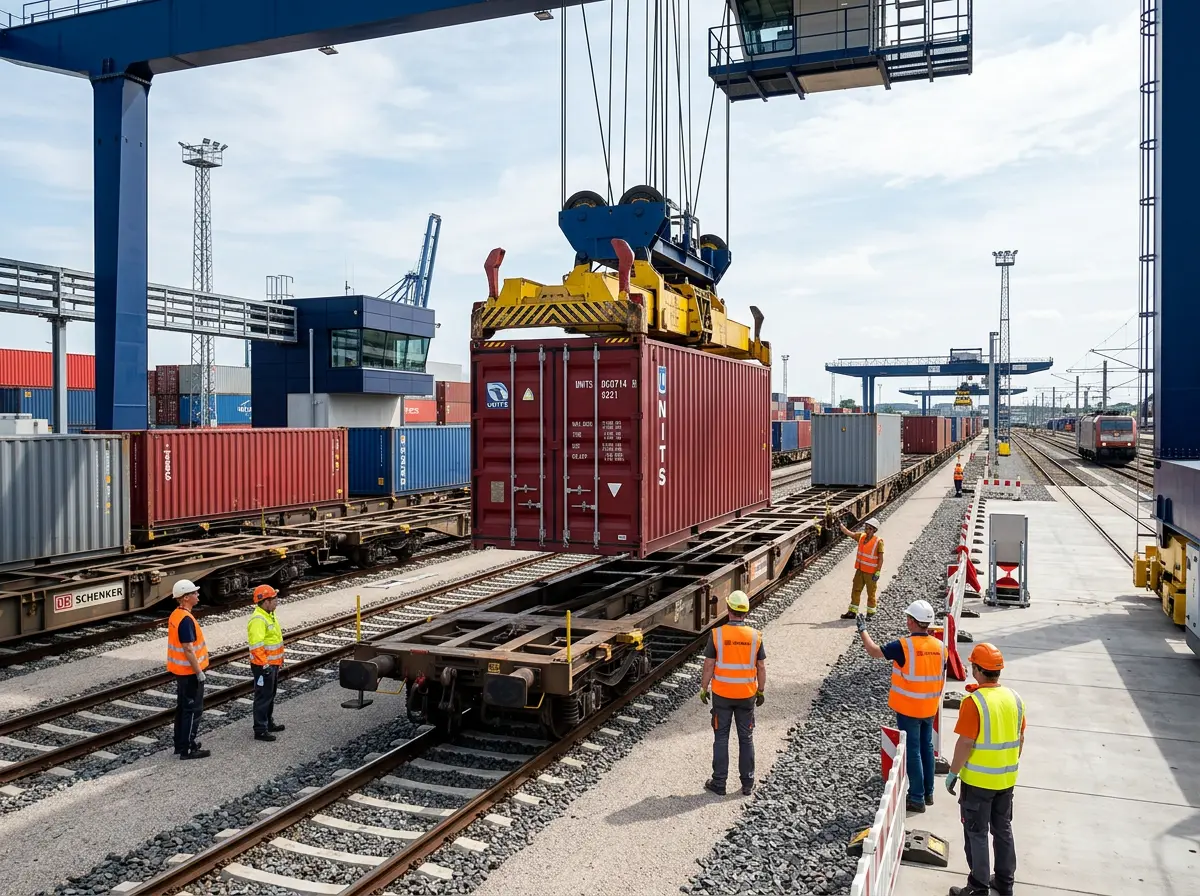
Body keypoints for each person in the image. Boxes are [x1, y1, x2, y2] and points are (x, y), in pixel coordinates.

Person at [944, 643, 1025, 896]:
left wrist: (953, 773)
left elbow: (965, 743)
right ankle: (1004, 881)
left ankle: (978, 887)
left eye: (972, 665)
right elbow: (1020, 738)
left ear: (978, 670)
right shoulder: (1015, 698)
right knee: (1002, 830)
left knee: (976, 833)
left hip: (978, 783)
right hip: (1006, 781)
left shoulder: (974, 702)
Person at [857, 599, 946, 813]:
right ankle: (928, 792)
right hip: (929, 707)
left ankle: (916, 798)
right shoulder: (940, 647)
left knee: (913, 750)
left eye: (908, 618)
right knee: (927, 747)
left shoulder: (904, 646)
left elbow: (874, 651)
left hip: (909, 708)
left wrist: (862, 631)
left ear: (913, 622)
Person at [699, 591, 766, 797]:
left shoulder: (717, 634)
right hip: (746, 695)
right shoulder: (755, 636)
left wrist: (704, 687)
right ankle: (747, 783)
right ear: (745, 612)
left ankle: (719, 783)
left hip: (722, 695)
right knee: (746, 738)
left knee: (721, 738)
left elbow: (709, 664)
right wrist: (760, 690)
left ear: (728, 610)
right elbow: (761, 666)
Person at [167, 579, 210, 760]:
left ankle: (180, 744)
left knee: (183, 709)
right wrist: (198, 671)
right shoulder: (185, 619)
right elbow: (188, 648)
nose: (197, 595)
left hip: (180, 671)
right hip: (190, 673)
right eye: (194, 593)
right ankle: (188, 748)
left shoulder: (176, 615)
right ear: (185, 598)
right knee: (193, 710)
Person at [247, 584, 286, 742]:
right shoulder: (258, 619)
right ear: (266, 601)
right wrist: (265, 665)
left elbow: (275, 640)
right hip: (263, 666)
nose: (277, 601)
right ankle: (260, 729)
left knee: (270, 695)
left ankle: (268, 723)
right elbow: (257, 646)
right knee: (263, 697)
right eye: (274, 599)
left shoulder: (269, 615)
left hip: (272, 664)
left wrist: (278, 661)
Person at [838, 516, 884, 619]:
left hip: (871, 573)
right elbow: (849, 533)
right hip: (860, 570)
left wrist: (878, 572)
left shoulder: (878, 542)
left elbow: (880, 559)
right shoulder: (861, 537)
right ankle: (852, 612)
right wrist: (840, 525)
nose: (866, 530)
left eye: (869, 528)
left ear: (874, 530)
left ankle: (871, 613)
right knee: (856, 590)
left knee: (870, 593)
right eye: (866, 527)